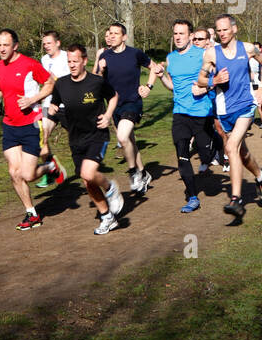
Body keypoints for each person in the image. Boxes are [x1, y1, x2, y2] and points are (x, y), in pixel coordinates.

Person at [0, 29, 62, 230]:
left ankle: (50, 168)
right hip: (10, 126)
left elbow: (51, 83)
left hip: (31, 125)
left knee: (27, 174)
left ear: (15, 46)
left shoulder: (29, 64)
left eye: (5, 45)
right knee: (14, 173)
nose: (1, 49)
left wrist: (33, 99)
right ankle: (32, 213)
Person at [195, 13, 262, 220]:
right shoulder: (211, 54)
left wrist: (261, 87)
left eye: (225, 29)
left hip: (245, 106)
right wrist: (214, 80)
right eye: (218, 30)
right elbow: (201, 80)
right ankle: (260, 175)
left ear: (234, 29)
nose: (222, 34)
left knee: (230, 147)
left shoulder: (247, 48)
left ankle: (236, 200)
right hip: (224, 110)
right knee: (241, 153)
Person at [47, 45, 125, 235]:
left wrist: (107, 115)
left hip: (97, 135)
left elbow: (114, 96)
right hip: (76, 139)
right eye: (69, 62)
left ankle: (110, 187)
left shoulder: (96, 82)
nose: (72, 65)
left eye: (75, 61)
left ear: (84, 61)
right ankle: (107, 217)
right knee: (87, 181)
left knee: (89, 173)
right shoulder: (62, 84)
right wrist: (51, 109)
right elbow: (54, 104)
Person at [150, 19, 218, 213]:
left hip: (202, 113)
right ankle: (193, 196)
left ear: (190, 36)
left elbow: (218, 78)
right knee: (182, 156)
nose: (178, 37)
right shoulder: (171, 58)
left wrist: (204, 89)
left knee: (205, 154)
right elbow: (172, 86)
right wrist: (162, 75)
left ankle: (216, 147)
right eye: (175, 34)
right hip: (180, 113)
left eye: (181, 34)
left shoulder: (203, 54)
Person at [94, 22, 153, 193]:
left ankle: (133, 172)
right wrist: (101, 68)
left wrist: (148, 87)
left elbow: (154, 67)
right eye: (110, 33)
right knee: (130, 142)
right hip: (114, 106)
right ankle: (143, 173)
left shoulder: (134, 54)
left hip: (132, 102)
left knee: (122, 136)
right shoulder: (105, 56)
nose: (111, 36)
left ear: (124, 37)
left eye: (116, 33)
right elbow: (96, 80)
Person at [35, 31, 72, 188]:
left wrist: (56, 80)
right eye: (44, 44)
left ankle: (87, 163)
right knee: (38, 134)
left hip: (66, 105)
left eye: (49, 43)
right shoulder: (44, 59)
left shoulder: (67, 57)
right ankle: (51, 170)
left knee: (77, 138)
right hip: (47, 105)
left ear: (58, 43)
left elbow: (72, 80)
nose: (46, 46)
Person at [191, 27, 227, 172]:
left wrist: (206, 87)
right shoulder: (191, 55)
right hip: (196, 100)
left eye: (200, 39)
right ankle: (207, 158)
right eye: (195, 39)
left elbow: (218, 78)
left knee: (219, 129)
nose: (197, 42)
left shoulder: (213, 55)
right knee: (201, 130)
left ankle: (226, 157)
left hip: (213, 97)